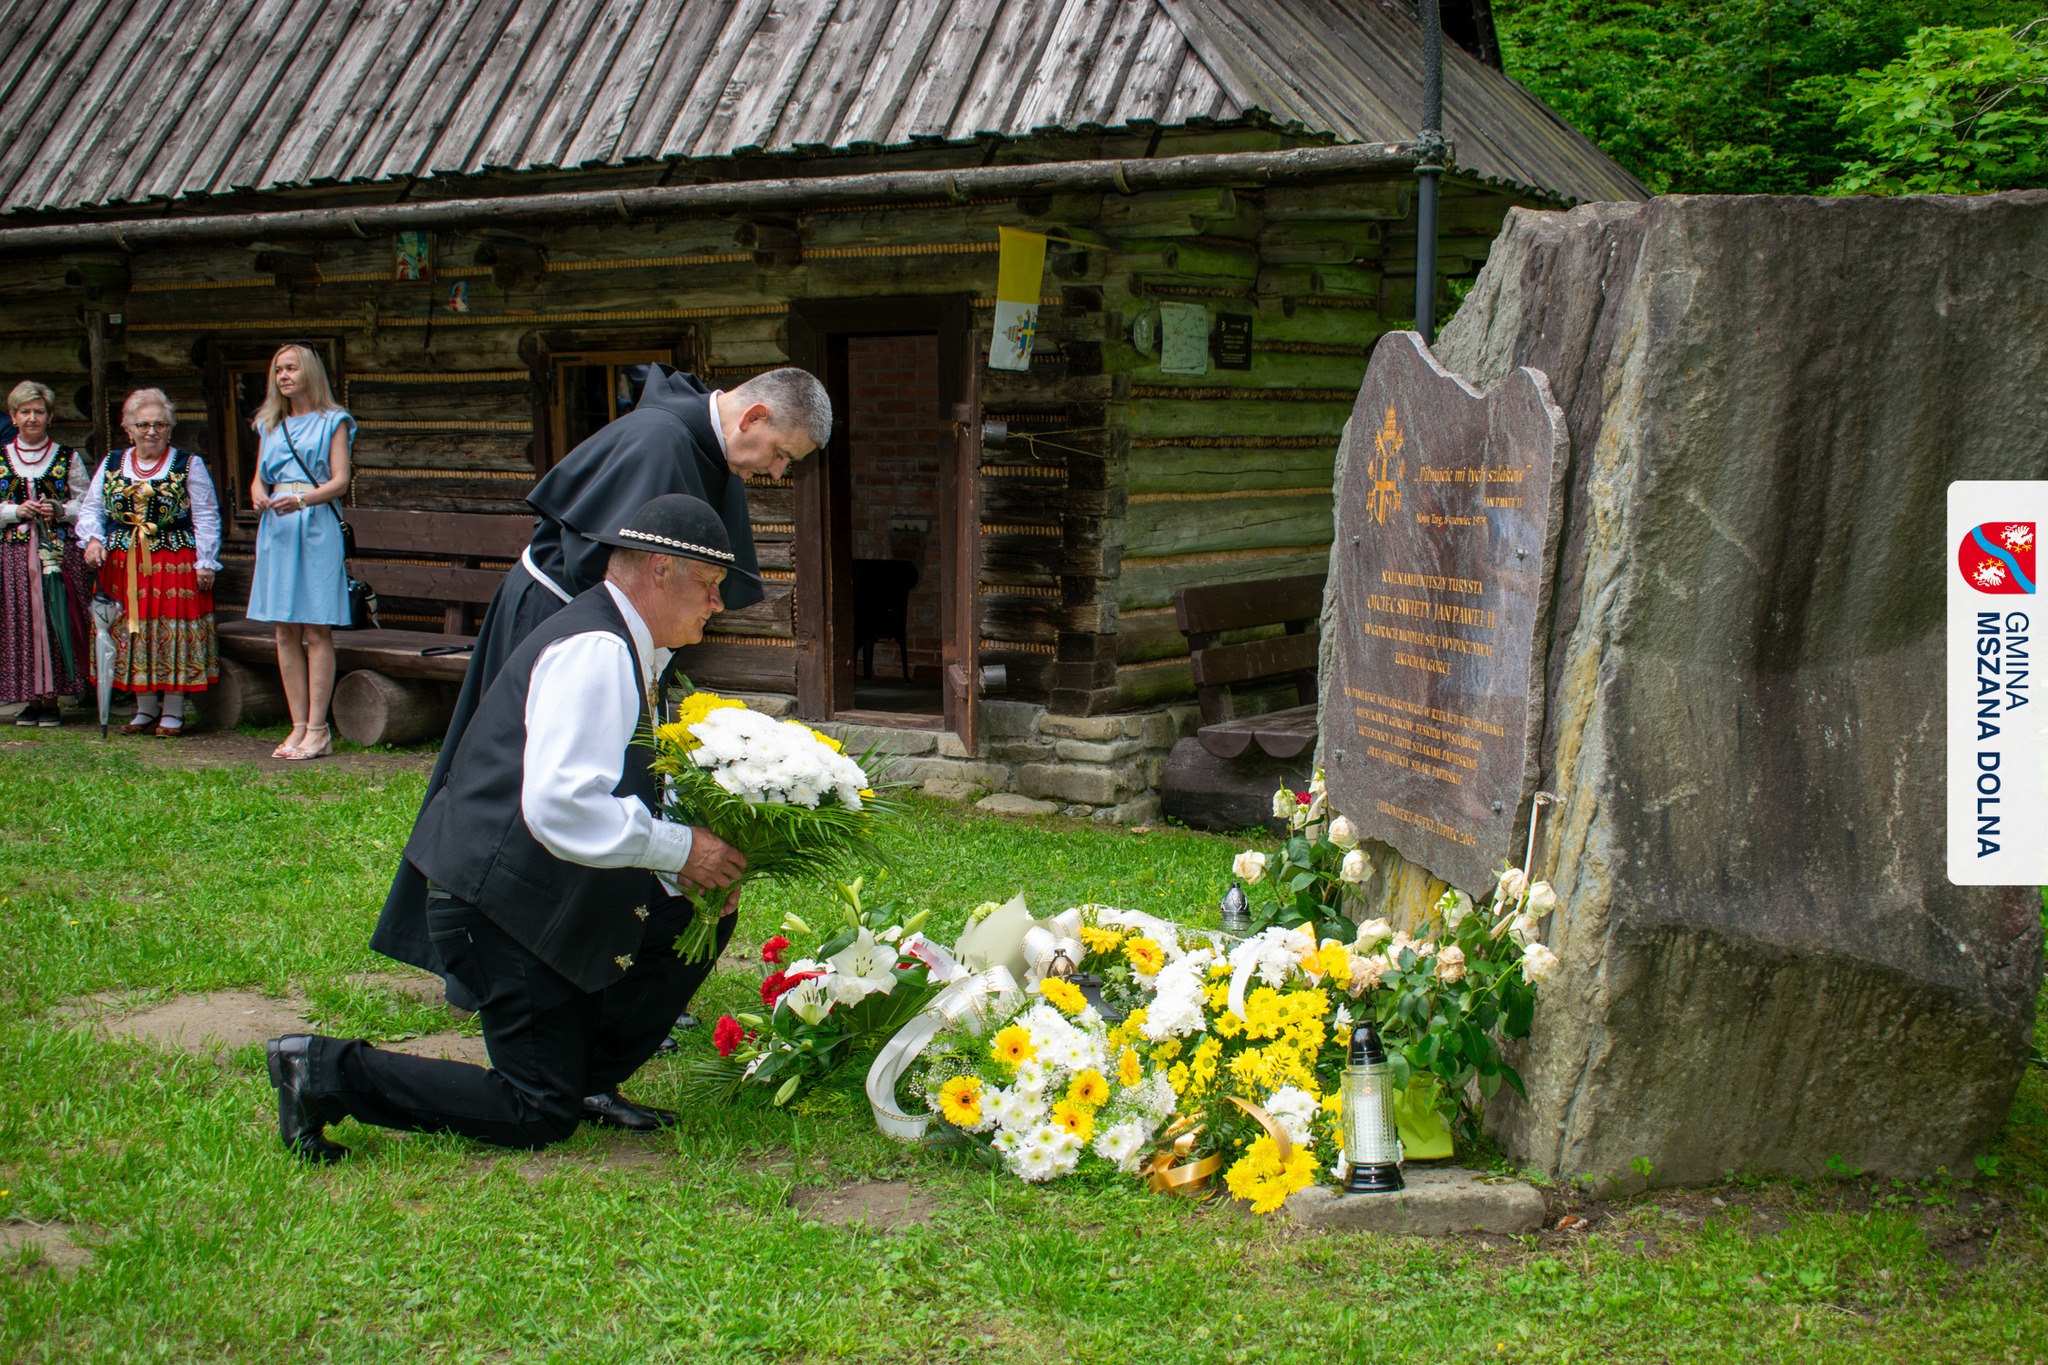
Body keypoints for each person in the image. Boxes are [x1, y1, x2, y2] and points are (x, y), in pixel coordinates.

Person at [266, 494, 754, 1160]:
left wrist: (690, 864)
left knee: (697, 912)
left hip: (539, 886)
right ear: (659, 570)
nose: (718, 604)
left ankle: (586, 1079)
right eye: (710, 584)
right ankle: (324, 1071)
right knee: (536, 1112)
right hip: (499, 906)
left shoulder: (623, 641)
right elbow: (561, 806)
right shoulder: (596, 650)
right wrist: (681, 848)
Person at [371, 365, 831, 1004]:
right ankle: (503, 958)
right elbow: (615, 571)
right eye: (781, 454)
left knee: (614, 779)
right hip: (565, 624)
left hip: (614, 633)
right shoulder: (659, 441)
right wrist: (623, 654)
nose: (777, 473)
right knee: (532, 786)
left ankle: (588, 953)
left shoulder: (700, 446)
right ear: (753, 417)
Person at [77, 389, 221, 734]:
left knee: (171, 632)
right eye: (143, 425)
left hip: (174, 561)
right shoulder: (112, 463)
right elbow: (92, 507)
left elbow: (206, 514)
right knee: (133, 631)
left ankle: (173, 709)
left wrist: (206, 560)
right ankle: (145, 708)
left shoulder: (188, 464)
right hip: (123, 563)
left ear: (170, 429)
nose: (151, 431)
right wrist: (93, 539)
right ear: (129, 429)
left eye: (160, 425)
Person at [245, 344, 354, 760]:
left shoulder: (333, 421)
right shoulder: (269, 424)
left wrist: (303, 500)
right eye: (278, 370)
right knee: (283, 629)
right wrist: (258, 494)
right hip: (277, 526)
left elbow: (340, 481)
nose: (283, 376)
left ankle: (318, 729)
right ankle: (297, 727)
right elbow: (259, 477)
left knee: (316, 628)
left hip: (315, 522)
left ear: (309, 372)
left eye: (291, 368)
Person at [0, 381, 93, 724]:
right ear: (13, 416)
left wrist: (59, 509)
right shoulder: (1, 458)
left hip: (57, 555)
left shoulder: (67, 457)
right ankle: (31, 698)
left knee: (56, 620)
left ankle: (52, 698)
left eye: (38, 411)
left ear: (50, 416)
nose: (32, 418)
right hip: (13, 555)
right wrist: (14, 511)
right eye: (24, 412)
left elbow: (86, 503)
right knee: (22, 621)